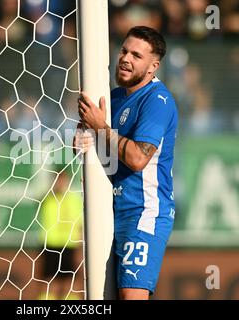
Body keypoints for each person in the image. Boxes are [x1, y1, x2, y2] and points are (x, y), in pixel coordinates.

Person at [75, 26, 178, 300]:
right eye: (124, 50)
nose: (126, 58)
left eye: (136, 55)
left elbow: (136, 159)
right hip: (110, 210)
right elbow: (95, 146)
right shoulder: (114, 97)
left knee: (131, 296)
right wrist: (82, 137)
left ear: (153, 66)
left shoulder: (158, 101)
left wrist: (99, 127)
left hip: (143, 212)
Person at [39, 169, 83, 300]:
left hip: (69, 245)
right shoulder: (48, 198)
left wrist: (80, 247)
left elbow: (80, 224)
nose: (60, 183)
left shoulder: (74, 199)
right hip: (50, 244)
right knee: (49, 281)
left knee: (70, 282)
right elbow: (39, 199)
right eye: (57, 179)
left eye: (62, 179)